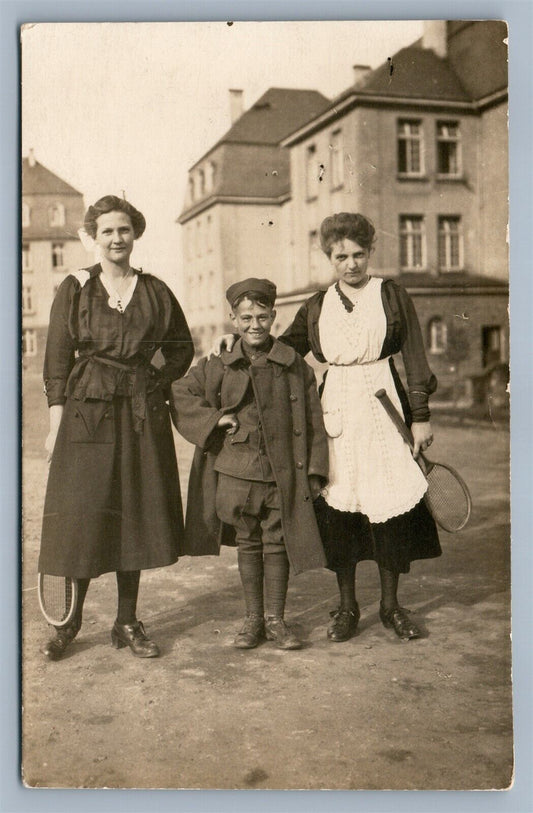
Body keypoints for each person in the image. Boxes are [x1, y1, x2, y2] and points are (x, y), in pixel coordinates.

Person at [213, 213, 441, 642]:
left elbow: (414, 357)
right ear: (329, 258)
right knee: (341, 510)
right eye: (341, 257)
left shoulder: (390, 295)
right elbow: (283, 350)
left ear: (370, 252)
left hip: (384, 406)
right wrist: (236, 343)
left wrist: (421, 415)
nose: (351, 264)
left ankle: (391, 606)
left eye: (358, 254)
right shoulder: (317, 305)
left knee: (389, 504)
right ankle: (347, 607)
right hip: (336, 411)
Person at [39, 195, 194, 660]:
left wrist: (155, 379)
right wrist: (54, 423)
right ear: (94, 236)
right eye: (107, 231)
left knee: (136, 511)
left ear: (135, 234)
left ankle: (126, 621)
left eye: (124, 230)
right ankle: (71, 621)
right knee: (85, 513)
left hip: (140, 413)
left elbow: (182, 348)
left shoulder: (155, 290)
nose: (116, 238)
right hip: (87, 412)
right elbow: (56, 360)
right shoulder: (76, 287)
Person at [171, 278, 328, 650]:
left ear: (274, 316)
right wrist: (215, 420)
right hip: (236, 472)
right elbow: (180, 392)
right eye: (245, 318)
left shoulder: (294, 366)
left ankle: (276, 620)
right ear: (233, 319)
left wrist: (315, 470)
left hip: (281, 473)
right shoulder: (220, 362)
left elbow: (314, 419)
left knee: (277, 543)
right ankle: (252, 621)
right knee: (248, 542)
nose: (254, 325)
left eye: (261, 317)